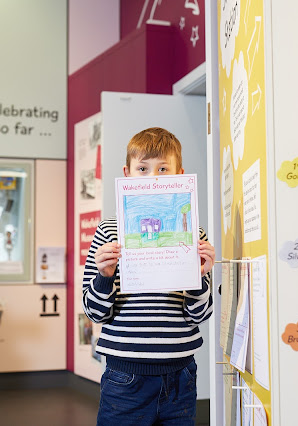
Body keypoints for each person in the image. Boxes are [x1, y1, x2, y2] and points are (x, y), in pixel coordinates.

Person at [82, 127, 215, 425]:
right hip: (124, 375)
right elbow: (95, 313)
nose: (153, 177)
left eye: (163, 169)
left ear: (180, 175)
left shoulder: (194, 235)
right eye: (143, 169)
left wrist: (200, 275)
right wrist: (104, 275)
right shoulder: (108, 233)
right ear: (127, 174)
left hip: (180, 374)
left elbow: (200, 315)